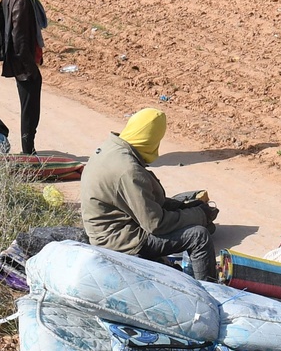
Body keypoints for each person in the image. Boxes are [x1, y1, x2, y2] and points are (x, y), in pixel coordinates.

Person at [80, 108, 220, 281]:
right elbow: (155, 224)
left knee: (183, 204)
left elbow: (144, 200)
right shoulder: (128, 170)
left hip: (109, 227)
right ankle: (207, 292)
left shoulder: (112, 147)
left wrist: (183, 207)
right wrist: (199, 216)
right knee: (199, 235)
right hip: (120, 241)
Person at [1, 0, 44, 154]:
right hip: (24, 66)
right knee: (30, 110)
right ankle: (28, 151)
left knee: (28, 107)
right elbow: (19, 39)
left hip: (19, 63)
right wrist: (31, 69)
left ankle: (29, 148)